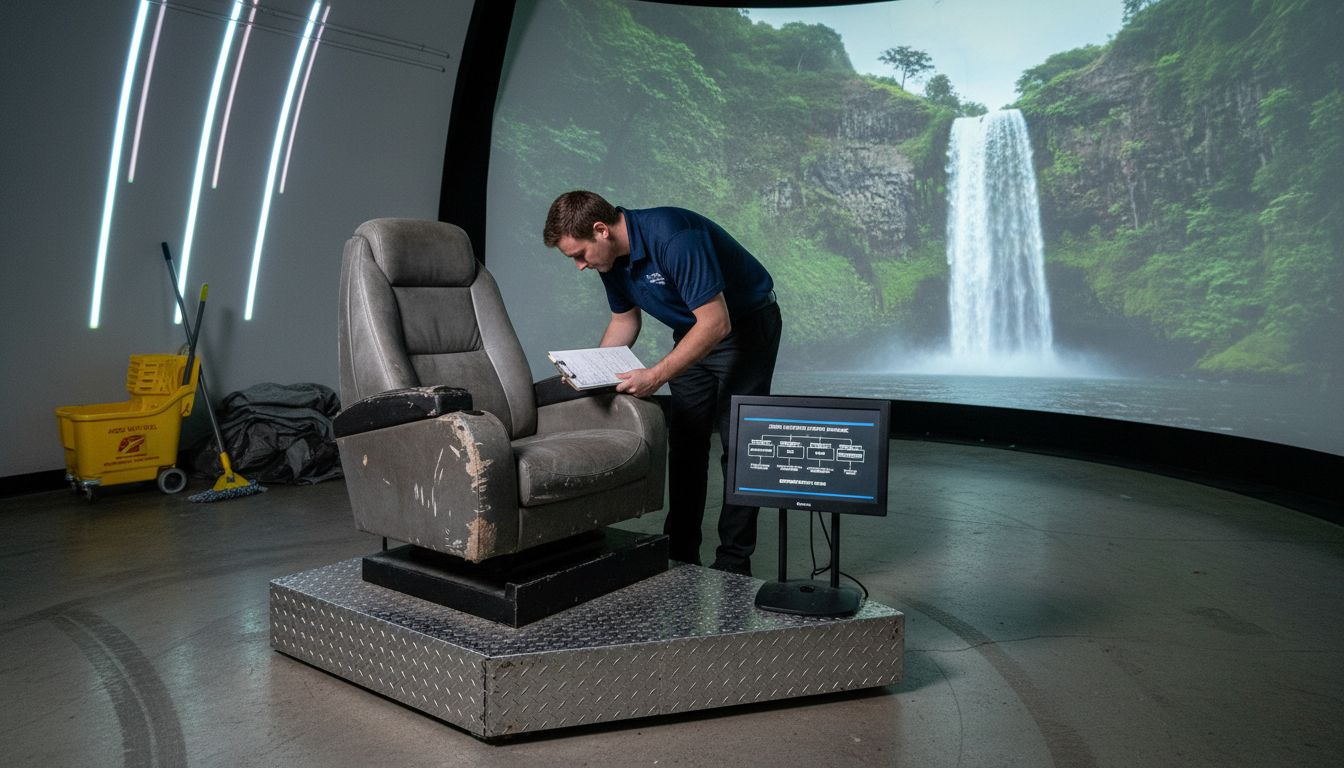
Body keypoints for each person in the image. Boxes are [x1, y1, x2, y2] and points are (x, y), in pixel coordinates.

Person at [542, 190, 782, 576]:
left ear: (600, 230)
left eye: (579, 255)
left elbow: (717, 323)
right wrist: (590, 372)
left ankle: (733, 563)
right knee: (687, 443)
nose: (580, 266)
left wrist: (655, 375)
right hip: (692, 331)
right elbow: (625, 321)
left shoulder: (673, 237)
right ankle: (682, 553)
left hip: (744, 328)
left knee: (740, 446)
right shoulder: (612, 261)